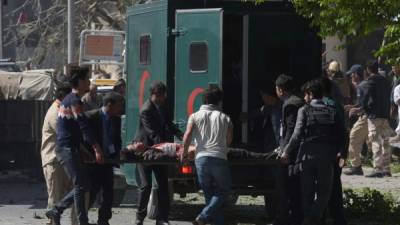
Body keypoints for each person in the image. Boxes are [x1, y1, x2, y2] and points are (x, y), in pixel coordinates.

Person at [282, 80, 347, 225]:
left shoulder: (304, 110)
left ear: (310, 95)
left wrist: (286, 151)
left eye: (305, 95)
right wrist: (343, 153)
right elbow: (343, 133)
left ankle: (309, 219)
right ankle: (314, 217)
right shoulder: (332, 110)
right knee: (324, 192)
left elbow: (297, 134)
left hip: (307, 156)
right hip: (327, 156)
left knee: (307, 192)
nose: (304, 98)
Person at [46, 65, 104, 225]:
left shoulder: (71, 100)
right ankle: (60, 210)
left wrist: (83, 149)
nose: (89, 82)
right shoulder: (74, 101)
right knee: (82, 184)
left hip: (71, 148)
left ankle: (66, 213)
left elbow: (75, 131)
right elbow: (83, 126)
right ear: (79, 82)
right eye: (86, 79)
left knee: (83, 184)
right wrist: (96, 149)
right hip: (66, 150)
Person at [181, 85, 233, 225]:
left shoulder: (194, 116)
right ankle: (203, 216)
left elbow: (187, 136)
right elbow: (229, 140)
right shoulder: (225, 118)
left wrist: (184, 155)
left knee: (209, 193)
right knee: (224, 190)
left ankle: (209, 219)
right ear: (219, 101)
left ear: (204, 99)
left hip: (201, 159)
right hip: (219, 158)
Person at [134, 81, 183, 225]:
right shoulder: (146, 110)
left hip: (159, 151)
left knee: (163, 185)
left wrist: (181, 134)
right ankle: (139, 217)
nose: (164, 98)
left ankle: (162, 218)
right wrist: (167, 146)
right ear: (156, 95)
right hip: (145, 151)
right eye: (163, 95)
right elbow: (152, 133)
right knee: (145, 186)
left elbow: (168, 123)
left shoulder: (162, 107)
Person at [85, 92, 124, 225]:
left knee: (108, 193)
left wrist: (116, 154)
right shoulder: (91, 116)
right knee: (92, 191)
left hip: (108, 161)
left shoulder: (116, 119)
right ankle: (82, 216)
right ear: (109, 105)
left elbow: (117, 140)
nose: (121, 109)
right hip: (93, 161)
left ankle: (103, 220)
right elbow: (86, 139)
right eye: (119, 105)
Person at [41, 84, 77, 225]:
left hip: (64, 160)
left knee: (77, 193)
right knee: (55, 198)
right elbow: (66, 135)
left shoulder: (62, 109)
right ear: (64, 96)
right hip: (54, 161)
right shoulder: (55, 113)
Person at [273, 74, 304, 225]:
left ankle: (286, 218)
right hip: (295, 150)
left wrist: (284, 150)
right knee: (293, 187)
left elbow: (290, 130)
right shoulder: (298, 101)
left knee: (286, 187)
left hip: (291, 153)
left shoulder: (290, 104)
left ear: (280, 89)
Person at [319, 77, 349, 225]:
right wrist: (343, 153)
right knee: (334, 186)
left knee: (328, 188)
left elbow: (342, 131)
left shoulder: (325, 105)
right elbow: (345, 132)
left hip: (329, 153)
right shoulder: (337, 105)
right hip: (336, 152)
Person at [362, 60, 394, 177]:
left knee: (375, 140)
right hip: (385, 115)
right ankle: (386, 168)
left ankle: (377, 168)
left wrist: (363, 108)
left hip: (374, 115)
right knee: (386, 141)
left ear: (368, 70)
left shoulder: (371, 80)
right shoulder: (386, 80)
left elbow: (366, 96)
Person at [342, 64, 370, 176]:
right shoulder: (366, 84)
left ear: (355, 74)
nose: (351, 77)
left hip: (365, 116)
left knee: (353, 137)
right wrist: (353, 106)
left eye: (352, 74)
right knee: (373, 141)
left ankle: (356, 166)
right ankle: (382, 167)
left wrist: (355, 109)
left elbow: (364, 105)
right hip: (372, 116)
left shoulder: (361, 86)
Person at [241, 87, 282, 152]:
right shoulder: (268, 108)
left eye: (263, 96)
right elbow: (258, 112)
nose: (262, 99)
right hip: (270, 147)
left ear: (267, 96)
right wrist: (247, 116)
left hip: (279, 147)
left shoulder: (282, 107)